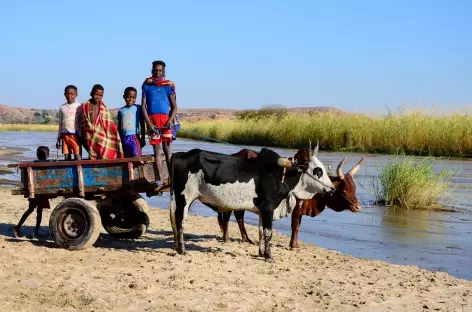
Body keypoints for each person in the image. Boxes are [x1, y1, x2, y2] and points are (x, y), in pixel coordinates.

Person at [141, 60, 178, 186]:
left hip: (165, 121)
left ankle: (172, 178)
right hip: (152, 121)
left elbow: (174, 107)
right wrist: (149, 124)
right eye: (155, 70)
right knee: (157, 151)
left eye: (160, 70)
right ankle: (161, 179)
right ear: (152, 71)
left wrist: (169, 120)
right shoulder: (146, 85)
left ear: (164, 72)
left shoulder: (168, 86)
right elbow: (143, 107)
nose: (157, 72)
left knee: (167, 150)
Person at [12, 146, 52, 239]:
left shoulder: (34, 163)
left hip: (35, 190)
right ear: (47, 155)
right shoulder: (49, 163)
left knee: (30, 209)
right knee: (39, 211)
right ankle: (35, 230)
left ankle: (18, 228)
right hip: (43, 191)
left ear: (37, 155)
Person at [80, 84, 123, 159]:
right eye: (96, 94)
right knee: (92, 153)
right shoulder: (85, 106)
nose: (98, 97)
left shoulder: (103, 108)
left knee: (104, 153)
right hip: (90, 135)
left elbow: (109, 124)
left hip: (101, 135)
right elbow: (83, 121)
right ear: (91, 94)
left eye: (100, 95)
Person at [117, 87, 146, 158]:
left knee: (136, 156)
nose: (130, 99)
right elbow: (119, 125)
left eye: (133, 97)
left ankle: (134, 168)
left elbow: (142, 123)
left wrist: (143, 137)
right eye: (128, 97)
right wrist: (117, 137)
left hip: (134, 137)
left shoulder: (138, 108)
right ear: (124, 97)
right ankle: (129, 169)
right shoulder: (121, 110)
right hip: (123, 137)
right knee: (124, 157)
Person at [57, 85, 82, 160]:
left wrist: (81, 135)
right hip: (65, 135)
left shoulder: (79, 106)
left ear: (76, 95)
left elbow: (82, 121)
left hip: (76, 135)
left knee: (77, 155)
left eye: (72, 94)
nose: (69, 96)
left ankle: (79, 169)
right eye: (67, 94)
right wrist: (59, 136)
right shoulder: (62, 107)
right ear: (64, 94)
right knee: (66, 155)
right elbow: (60, 122)